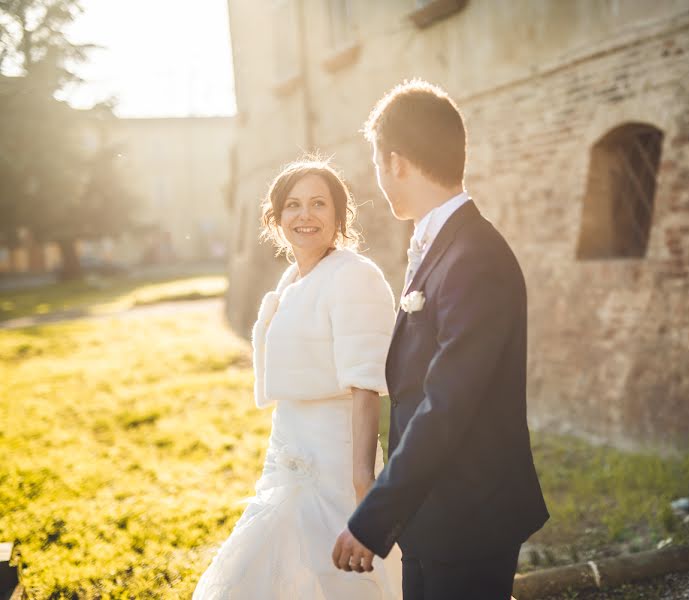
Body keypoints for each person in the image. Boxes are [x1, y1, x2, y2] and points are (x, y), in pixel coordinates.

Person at [332, 80, 549, 600]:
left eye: (378, 165)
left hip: (471, 514)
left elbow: (447, 403)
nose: (379, 180)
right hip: (433, 512)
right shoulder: (441, 244)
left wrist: (373, 518)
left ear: (397, 162)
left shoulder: (474, 255)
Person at [193, 159, 402, 599]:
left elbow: (364, 385)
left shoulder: (354, 275)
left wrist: (364, 485)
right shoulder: (291, 281)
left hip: (336, 460)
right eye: (293, 205)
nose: (305, 215)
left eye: (318, 204)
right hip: (287, 451)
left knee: (345, 580)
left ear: (338, 215)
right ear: (276, 217)